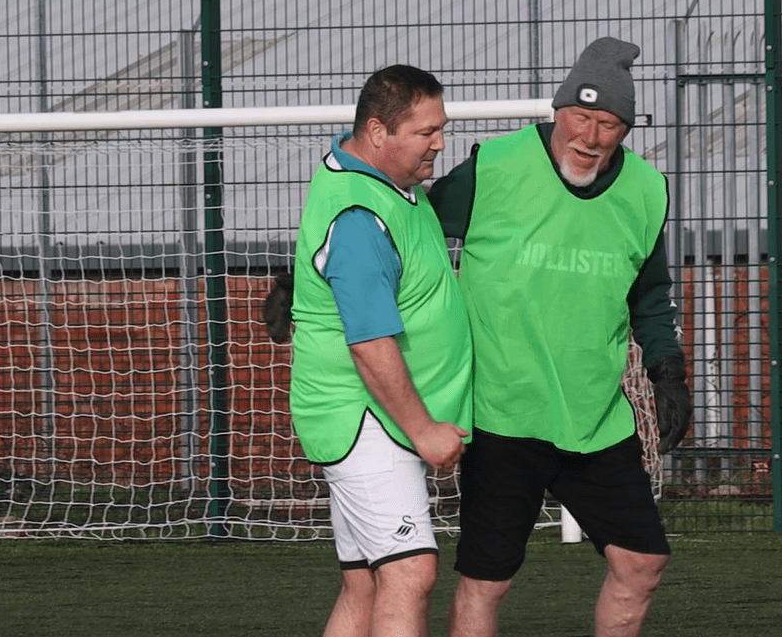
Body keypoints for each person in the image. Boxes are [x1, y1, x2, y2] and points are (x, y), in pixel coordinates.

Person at [426, 37, 691, 637]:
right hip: (504, 412)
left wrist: (668, 371)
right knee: (487, 579)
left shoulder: (647, 191)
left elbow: (650, 296)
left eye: (608, 124)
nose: (589, 136)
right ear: (557, 109)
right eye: (580, 116)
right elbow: (410, 231)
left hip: (595, 416)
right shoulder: (492, 167)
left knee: (642, 561)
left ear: (625, 128)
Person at [284, 64, 473, 636]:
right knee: (410, 572)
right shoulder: (361, 217)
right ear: (377, 131)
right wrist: (424, 430)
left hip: (369, 418)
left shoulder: (385, 184)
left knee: (365, 582)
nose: (439, 142)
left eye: (441, 127)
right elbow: (369, 344)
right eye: (425, 132)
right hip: (369, 420)